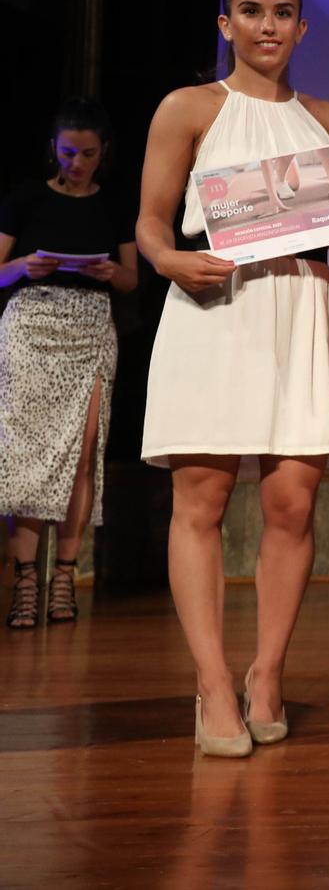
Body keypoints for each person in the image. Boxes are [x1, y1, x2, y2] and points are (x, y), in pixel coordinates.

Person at [137, 0, 329, 757]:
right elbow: (149, 225)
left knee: (292, 507)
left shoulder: (327, 116)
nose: (267, 26)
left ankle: (266, 672)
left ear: (303, 27)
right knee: (201, 504)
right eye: (250, 11)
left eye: (282, 13)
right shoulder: (189, 108)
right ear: (225, 24)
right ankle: (212, 684)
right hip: (217, 307)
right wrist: (171, 262)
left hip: (300, 308)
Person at [1, 100, 139, 629]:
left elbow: (133, 280)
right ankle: (24, 583)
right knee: (26, 456)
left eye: (86, 153)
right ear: (53, 151)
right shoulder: (25, 199)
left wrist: (109, 272)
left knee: (83, 455)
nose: (76, 162)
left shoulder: (114, 204)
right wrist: (22, 266)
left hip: (89, 326)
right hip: (31, 324)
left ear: (102, 154)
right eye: (67, 153)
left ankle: (64, 576)